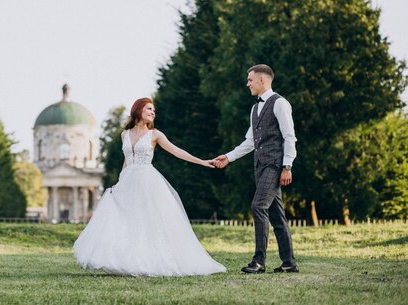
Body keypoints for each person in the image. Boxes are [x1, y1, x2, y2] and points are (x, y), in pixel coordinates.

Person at [73, 97, 226, 276]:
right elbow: (126, 161)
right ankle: (125, 260)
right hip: (128, 182)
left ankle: (150, 261)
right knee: (125, 221)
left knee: (149, 221)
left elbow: (177, 151)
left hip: (147, 181)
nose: (153, 112)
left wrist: (202, 161)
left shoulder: (155, 135)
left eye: (154, 110)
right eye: (149, 109)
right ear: (138, 110)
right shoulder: (125, 134)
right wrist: (119, 183)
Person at [212, 64, 299, 274]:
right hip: (260, 167)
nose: (247, 83)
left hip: (275, 165)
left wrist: (287, 166)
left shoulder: (280, 103)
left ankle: (258, 262)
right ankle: (289, 263)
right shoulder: (254, 108)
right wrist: (229, 157)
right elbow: (250, 141)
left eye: (250, 80)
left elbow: (289, 137)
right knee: (277, 216)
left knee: (258, 207)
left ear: (262, 80)